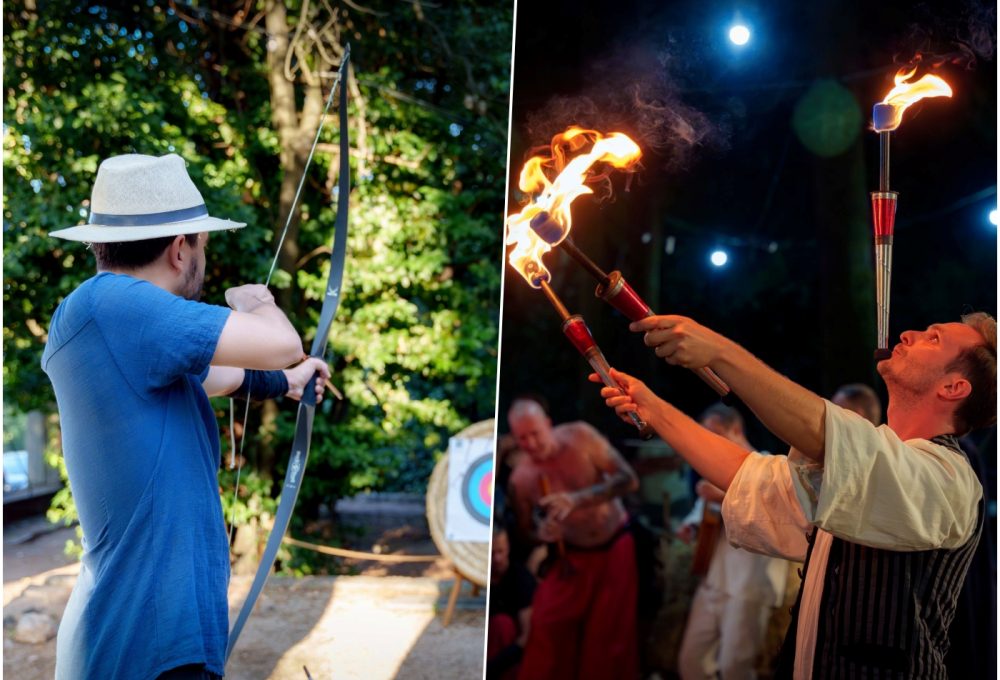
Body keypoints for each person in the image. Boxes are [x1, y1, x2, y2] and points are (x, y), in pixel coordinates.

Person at [42, 153, 330, 680]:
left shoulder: (110, 321)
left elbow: (213, 377)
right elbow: (282, 342)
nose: (202, 256)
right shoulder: (117, 303)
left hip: (151, 637)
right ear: (180, 249)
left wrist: (287, 383)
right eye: (202, 244)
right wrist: (254, 301)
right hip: (146, 641)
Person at [595, 313, 994, 678]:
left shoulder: (950, 479)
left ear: (954, 387)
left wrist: (719, 352)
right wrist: (655, 410)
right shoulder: (857, 473)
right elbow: (749, 476)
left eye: (933, 338)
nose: (908, 333)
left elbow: (830, 434)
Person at [506, 398, 639, 680]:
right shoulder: (521, 478)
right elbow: (524, 532)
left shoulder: (581, 436)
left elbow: (629, 479)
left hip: (614, 543)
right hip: (572, 556)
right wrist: (542, 533)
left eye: (535, 433)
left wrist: (577, 499)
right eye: (522, 438)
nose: (531, 443)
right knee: (546, 622)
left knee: (607, 639)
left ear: (548, 424)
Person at [676, 404, 791, 680]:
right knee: (691, 662)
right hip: (715, 578)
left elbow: (770, 511)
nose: (708, 445)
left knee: (734, 668)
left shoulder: (768, 466)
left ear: (735, 429)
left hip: (750, 585)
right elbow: (702, 514)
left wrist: (721, 495)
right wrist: (692, 526)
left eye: (714, 435)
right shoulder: (716, 472)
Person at [486, 522, 536, 680]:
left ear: (508, 548)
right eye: (491, 553)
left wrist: (492, 669)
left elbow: (527, 636)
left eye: (500, 551)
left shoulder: (521, 578)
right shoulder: (482, 577)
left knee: (502, 624)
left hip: (510, 656)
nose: (497, 559)